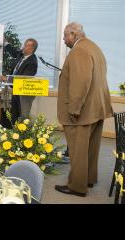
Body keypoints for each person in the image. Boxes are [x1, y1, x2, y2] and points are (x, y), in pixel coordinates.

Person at [55, 22, 113, 197]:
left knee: (78, 149)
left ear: (73, 34)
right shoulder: (94, 47)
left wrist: (74, 108)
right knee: (91, 148)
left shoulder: (79, 51)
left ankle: (77, 187)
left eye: (65, 36)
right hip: (96, 108)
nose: (64, 40)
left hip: (82, 111)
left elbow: (81, 82)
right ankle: (88, 179)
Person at [3, 38, 38, 123]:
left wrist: (7, 79)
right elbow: (13, 52)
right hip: (16, 90)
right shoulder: (22, 54)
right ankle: (13, 134)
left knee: (22, 115)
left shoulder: (32, 62)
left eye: (25, 46)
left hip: (23, 94)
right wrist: (5, 42)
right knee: (14, 114)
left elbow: (23, 79)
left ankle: (21, 134)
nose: (23, 47)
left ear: (31, 49)